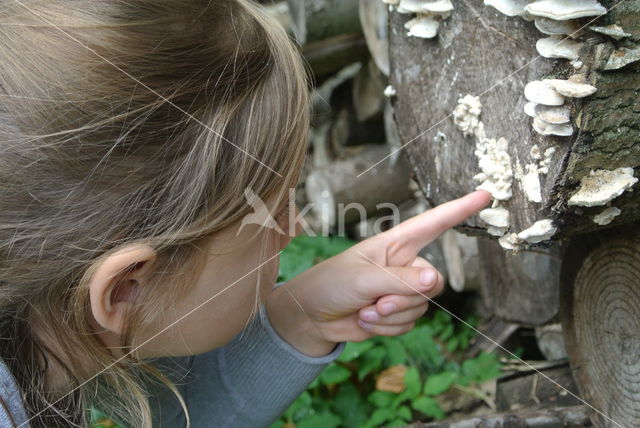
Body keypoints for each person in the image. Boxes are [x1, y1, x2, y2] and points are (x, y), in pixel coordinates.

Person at [0, 0, 491, 426]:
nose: (294, 229)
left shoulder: (42, 338)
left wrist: (300, 319)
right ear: (127, 287)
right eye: (268, 216)